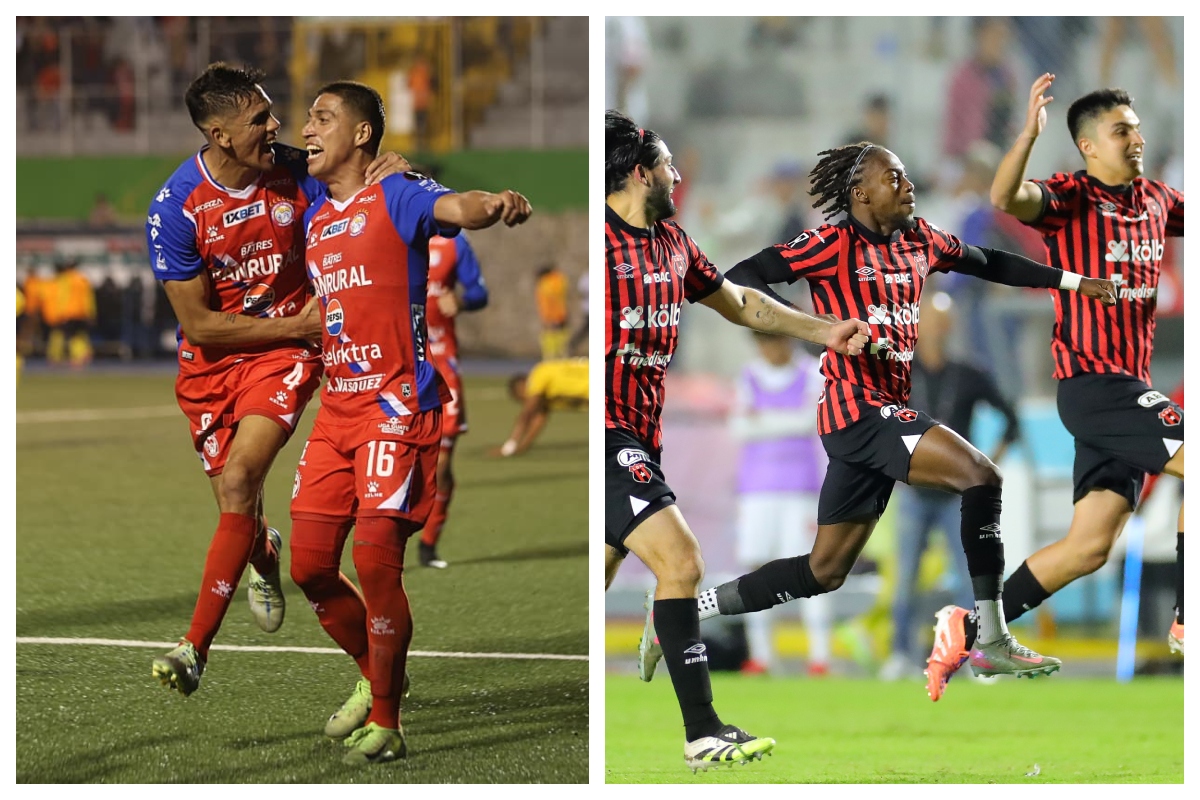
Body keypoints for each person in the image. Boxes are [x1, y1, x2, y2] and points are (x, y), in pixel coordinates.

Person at [636, 140, 1118, 704]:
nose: (907, 184)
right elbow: (744, 278)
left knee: (824, 571)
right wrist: (818, 327)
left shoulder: (922, 240)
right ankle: (990, 636)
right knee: (982, 476)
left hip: (874, 420)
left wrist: (1070, 281)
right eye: (894, 177)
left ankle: (681, 610)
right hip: (857, 409)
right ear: (860, 193)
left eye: (908, 175)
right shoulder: (830, 243)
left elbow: (989, 262)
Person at [603, 109, 872, 773]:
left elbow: (740, 302)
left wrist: (824, 330)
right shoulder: (597, 240)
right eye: (668, 165)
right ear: (640, 172)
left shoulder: (671, 243)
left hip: (643, 433)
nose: (678, 174)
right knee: (683, 562)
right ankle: (702, 732)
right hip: (606, 433)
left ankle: (655, 629)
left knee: (606, 575)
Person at [145, 62, 407, 698]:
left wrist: (391, 169)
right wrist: (296, 325)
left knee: (241, 479)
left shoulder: (294, 171)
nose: (277, 125)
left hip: (285, 354)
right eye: (260, 118)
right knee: (240, 511)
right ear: (220, 134)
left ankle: (193, 648)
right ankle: (262, 552)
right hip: (215, 362)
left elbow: (358, 191)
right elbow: (202, 328)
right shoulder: (177, 209)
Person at [290, 80, 531, 765]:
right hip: (337, 409)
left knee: (373, 558)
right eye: (307, 117)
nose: (308, 127)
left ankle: (389, 721)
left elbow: (457, 206)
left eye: (323, 117)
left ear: (361, 135)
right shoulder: (313, 210)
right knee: (309, 566)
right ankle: (377, 671)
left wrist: (497, 203)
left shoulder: (398, 193)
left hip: (396, 407)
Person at [927, 76, 1186, 693]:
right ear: (1089, 146)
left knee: (1087, 546)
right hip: (1094, 384)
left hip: (1128, 388)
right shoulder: (1071, 198)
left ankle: (966, 629)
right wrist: (1025, 137)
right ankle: (1187, 618)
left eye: (1136, 127)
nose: (1136, 138)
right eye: (1121, 130)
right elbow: (1005, 195)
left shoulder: (1156, 200)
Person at [877, 291, 1021, 681]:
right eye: (930, 321)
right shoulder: (901, 375)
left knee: (972, 581)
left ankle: (977, 657)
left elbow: (1011, 418)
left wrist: (986, 466)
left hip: (958, 496)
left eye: (943, 321)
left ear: (951, 326)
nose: (936, 329)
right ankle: (900, 655)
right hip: (915, 491)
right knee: (905, 580)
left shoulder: (968, 374)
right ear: (917, 327)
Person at [728, 332, 831, 676]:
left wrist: (763, 420)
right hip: (755, 490)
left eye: (773, 341)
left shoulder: (810, 373)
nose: (768, 349)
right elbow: (739, 427)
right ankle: (762, 655)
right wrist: (783, 422)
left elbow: (809, 422)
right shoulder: (749, 376)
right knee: (756, 569)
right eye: (762, 342)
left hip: (799, 489)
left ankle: (819, 656)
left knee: (807, 570)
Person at [414, 227, 489, 570]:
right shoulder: (388, 230)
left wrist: (460, 300)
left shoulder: (454, 242)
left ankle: (428, 545)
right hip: (397, 360)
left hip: (442, 360)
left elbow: (479, 292)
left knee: (440, 467)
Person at [494, 357, 588, 458]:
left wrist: (508, 448)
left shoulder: (539, 374)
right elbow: (539, 418)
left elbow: (526, 415)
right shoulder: (547, 394)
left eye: (521, 399)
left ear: (521, 387)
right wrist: (522, 447)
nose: (524, 402)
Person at [42, 256, 96, 368]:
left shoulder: (65, 280)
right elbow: (88, 298)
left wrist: (60, 313)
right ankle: (83, 352)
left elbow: (62, 297)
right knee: (78, 334)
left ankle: (79, 355)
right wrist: (90, 313)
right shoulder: (83, 279)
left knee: (69, 335)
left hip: (68, 312)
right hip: (81, 313)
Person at [534, 264, 570, 360]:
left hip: (553, 315)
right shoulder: (557, 280)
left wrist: (547, 316)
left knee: (552, 337)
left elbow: (548, 300)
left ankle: (552, 357)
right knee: (558, 337)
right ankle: (559, 356)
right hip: (558, 313)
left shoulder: (546, 283)